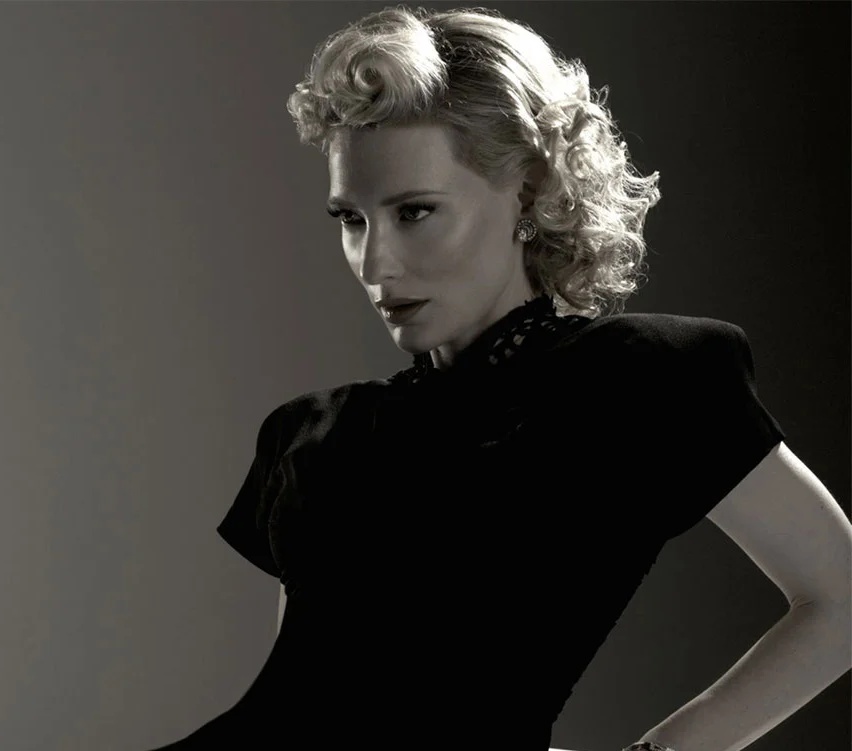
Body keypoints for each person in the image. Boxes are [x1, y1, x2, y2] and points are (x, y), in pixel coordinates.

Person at [155, 6, 851, 751]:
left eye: (414, 211)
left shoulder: (642, 375)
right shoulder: (311, 434)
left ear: (528, 191)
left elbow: (843, 600)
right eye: (350, 219)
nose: (373, 263)